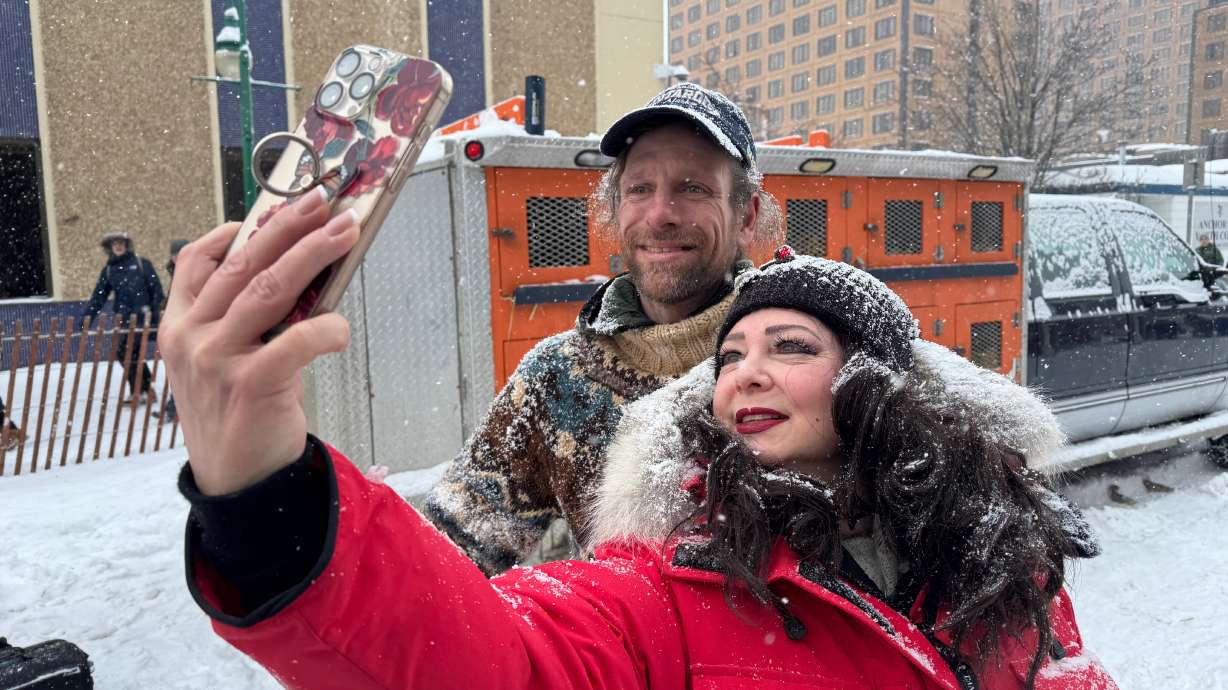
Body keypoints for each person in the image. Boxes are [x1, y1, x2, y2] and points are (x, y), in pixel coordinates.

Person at [161, 194, 1116, 687]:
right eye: (732, 355)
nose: (744, 369)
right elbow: (492, 646)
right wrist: (271, 499)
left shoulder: (1000, 554)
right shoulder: (669, 582)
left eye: (789, 348)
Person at [424, 82, 784, 573]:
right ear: (616, 208)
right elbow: (442, 562)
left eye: (693, 188)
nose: (660, 215)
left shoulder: (801, 362)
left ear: (747, 214)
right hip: (612, 647)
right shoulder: (557, 378)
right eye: (639, 189)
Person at [83, 232, 165, 406]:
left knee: (127, 352)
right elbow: (99, 296)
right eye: (114, 244)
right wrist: (88, 317)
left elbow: (156, 290)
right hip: (125, 320)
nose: (118, 246)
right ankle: (144, 389)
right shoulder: (110, 270)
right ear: (110, 248)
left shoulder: (142, 264)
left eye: (121, 243)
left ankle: (140, 391)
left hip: (144, 317)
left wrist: (153, 312)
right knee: (128, 353)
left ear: (127, 245)